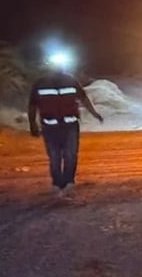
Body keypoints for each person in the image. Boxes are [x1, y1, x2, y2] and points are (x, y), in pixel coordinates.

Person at [27, 64, 104, 196]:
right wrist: (32, 124)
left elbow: (83, 98)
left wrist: (94, 113)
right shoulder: (40, 83)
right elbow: (32, 105)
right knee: (55, 157)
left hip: (70, 126)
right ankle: (57, 184)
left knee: (70, 155)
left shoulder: (71, 81)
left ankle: (69, 182)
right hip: (50, 127)